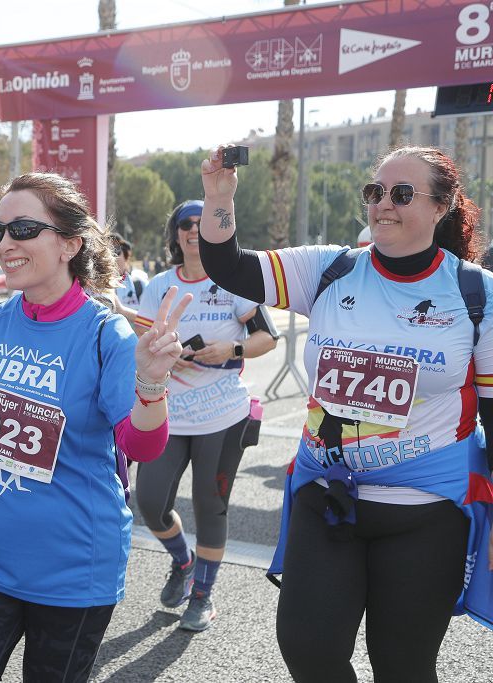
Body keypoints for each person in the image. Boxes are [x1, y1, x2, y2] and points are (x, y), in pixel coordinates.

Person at [198, 144, 493, 682]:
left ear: (442, 206)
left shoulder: (477, 293)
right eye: (374, 192)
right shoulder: (330, 269)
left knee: (403, 667)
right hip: (328, 498)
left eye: (402, 194)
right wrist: (220, 200)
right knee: (309, 655)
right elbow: (231, 267)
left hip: (426, 513)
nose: (383, 204)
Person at [0, 172, 190, 681]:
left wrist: (151, 384)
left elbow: (141, 443)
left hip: (73, 572)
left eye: (23, 228)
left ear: (70, 243)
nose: (6, 243)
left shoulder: (105, 334)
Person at [130, 199, 278, 632]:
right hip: (169, 414)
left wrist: (229, 349)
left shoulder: (234, 281)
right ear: (175, 235)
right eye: (185, 225)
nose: (194, 230)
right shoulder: (159, 283)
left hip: (223, 415)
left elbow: (267, 338)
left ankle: (203, 596)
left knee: (210, 506)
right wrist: (159, 351)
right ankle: (183, 561)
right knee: (151, 501)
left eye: (201, 223)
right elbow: (140, 333)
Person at [110, 233, 145, 308]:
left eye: (115, 251)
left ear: (126, 256)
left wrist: (122, 311)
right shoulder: (93, 289)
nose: (110, 257)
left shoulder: (139, 284)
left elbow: (147, 316)